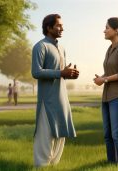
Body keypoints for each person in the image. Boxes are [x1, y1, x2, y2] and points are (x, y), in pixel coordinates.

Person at [31, 14, 79, 167]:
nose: (62, 28)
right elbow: (36, 72)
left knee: (60, 133)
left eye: (61, 25)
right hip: (47, 99)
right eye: (58, 25)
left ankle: (53, 165)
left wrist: (70, 74)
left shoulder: (61, 48)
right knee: (45, 135)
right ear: (48, 27)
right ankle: (42, 165)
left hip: (61, 97)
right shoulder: (40, 46)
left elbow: (61, 73)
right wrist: (61, 73)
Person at [93, 17, 118, 164]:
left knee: (117, 134)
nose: (104, 30)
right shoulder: (109, 49)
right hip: (107, 97)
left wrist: (105, 79)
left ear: (116, 30)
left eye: (107, 27)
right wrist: (101, 78)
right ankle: (111, 164)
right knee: (108, 134)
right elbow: (110, 72)